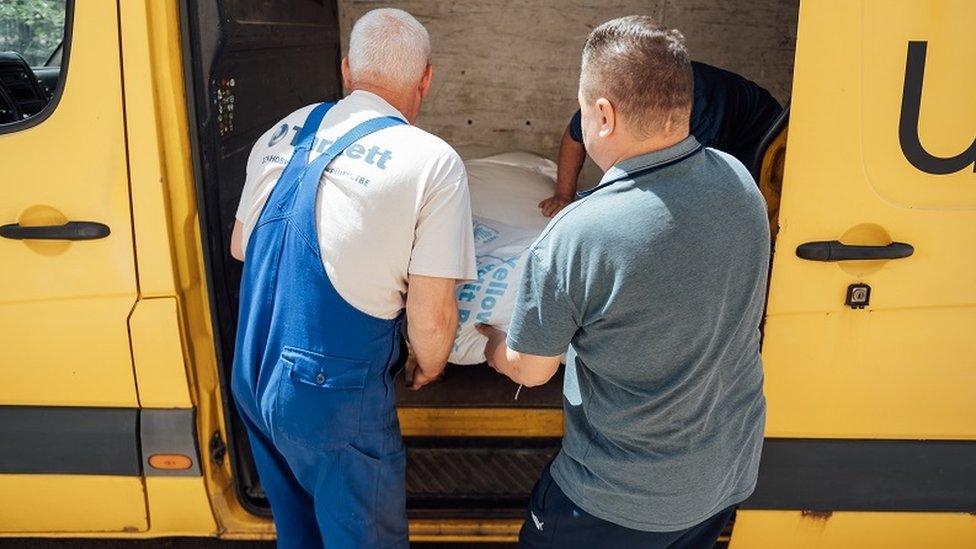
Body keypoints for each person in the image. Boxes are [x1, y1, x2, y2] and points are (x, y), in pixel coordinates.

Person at [477, 16, 770, 548]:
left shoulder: (580, 234)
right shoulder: (741, 183)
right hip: (722, 478)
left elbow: (531, 369)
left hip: (616, 502)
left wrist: (497, 345)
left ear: (604, 115)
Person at [229, 9, 476, 548]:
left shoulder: (282, 129)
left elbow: (240, 245)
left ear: (346, 70)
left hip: (252, 372)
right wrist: (430, 369)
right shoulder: (433, 162)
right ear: (427, 77)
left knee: (300, 535)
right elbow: (431, 320)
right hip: (331, 402)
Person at [538, 57, 782, 217]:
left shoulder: (700, 112)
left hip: (763, 142)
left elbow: (692, 185)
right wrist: (563, 195)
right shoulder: (615, 93)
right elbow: (574, 136)